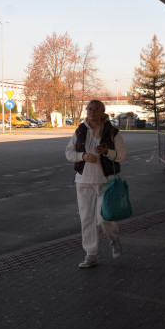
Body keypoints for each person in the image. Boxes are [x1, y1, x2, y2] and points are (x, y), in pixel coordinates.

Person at [65, 99, 127, 268]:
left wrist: (107, 151)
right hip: (83, 180)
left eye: (95, 109)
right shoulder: (80, 130)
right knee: (87, 218)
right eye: (89, 108)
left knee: (104, 218)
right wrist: (83, 156)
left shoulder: (112, 132)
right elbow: (69, 152)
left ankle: (113, 238)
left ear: (102, 112)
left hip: (106, 181)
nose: (91, 111)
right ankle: (90, 253)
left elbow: (121, 156)